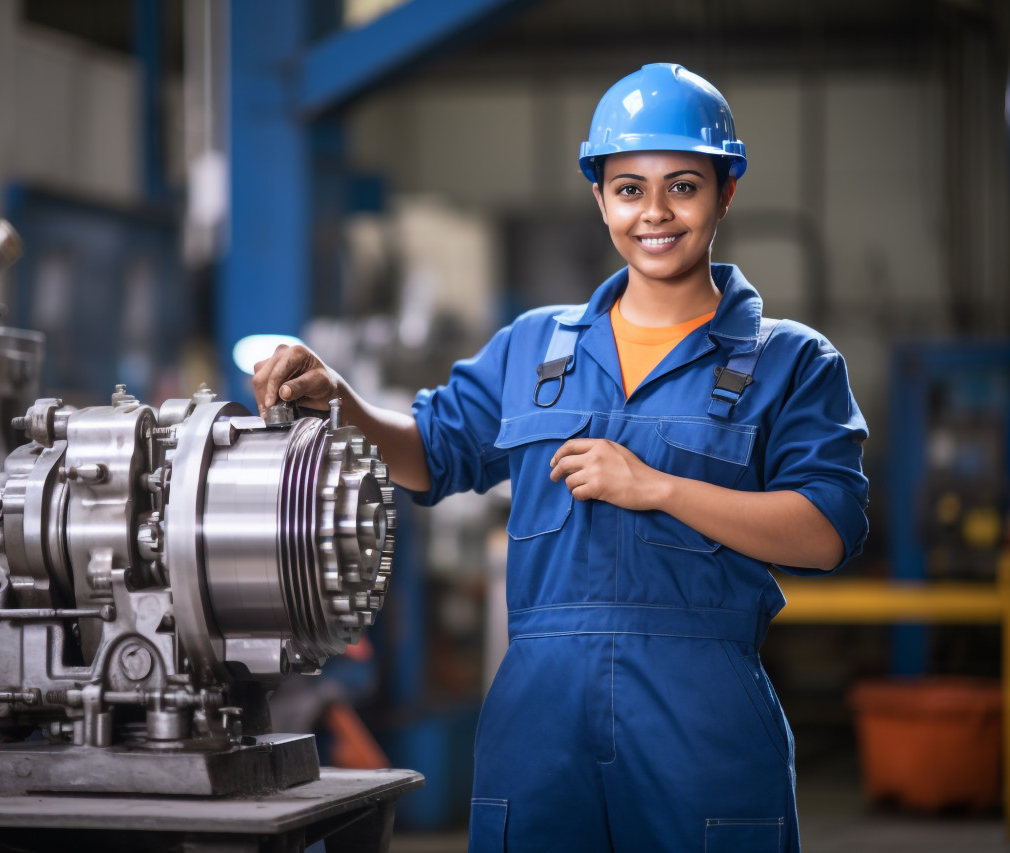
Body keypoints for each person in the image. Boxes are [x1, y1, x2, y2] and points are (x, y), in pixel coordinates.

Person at [253, 63, 868, 853]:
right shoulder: (535, 347)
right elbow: (432, 453)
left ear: (726, 190)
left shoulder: (790, 361)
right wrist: (340, 400)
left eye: (682, 186)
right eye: (629, 188)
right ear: (599, 197)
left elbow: (827, 530)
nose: (655, 213)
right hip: (538, 718)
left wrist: (655, 487)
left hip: (701, 718)